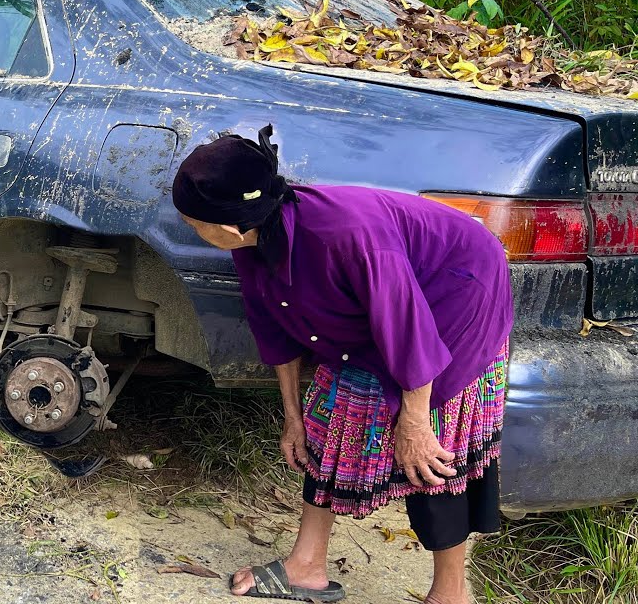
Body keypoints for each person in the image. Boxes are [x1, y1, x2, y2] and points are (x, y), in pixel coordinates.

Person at [172, 126, 513, 604]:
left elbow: (409, 328)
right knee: (328, 415)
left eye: (191, 222)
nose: (189, 227)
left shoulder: (346, 237)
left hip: (456, 289)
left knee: (432, 443)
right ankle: (305, 565)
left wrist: (414, 418)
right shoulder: (253, 238)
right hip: (389, 303)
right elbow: (275, 331)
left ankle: (451, 593)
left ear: (227, 227)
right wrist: (293, 418)